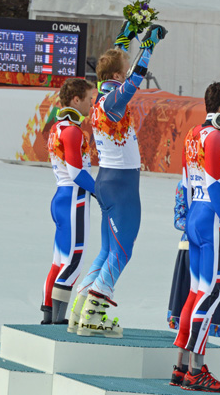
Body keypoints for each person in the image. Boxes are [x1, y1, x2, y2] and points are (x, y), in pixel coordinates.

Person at [68, 22, 167, 338]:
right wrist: (148, 48)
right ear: (117, 76)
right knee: (122, 252)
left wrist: (127, 37)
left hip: (109, 181)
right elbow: (135, 80)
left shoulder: (103, 95)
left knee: (108, 251)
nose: (128, 72)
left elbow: (115, 65)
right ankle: (93, 316)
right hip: (122, 186)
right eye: (124, 70)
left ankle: (79, 310)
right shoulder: (112, 102)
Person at [170, 80, 220, 393]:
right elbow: (215, 185)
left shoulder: (193, 134)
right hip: (213, 220)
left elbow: (187, 182)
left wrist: (193, 219)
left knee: (196, 292)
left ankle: (180, 366)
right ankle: (196, 370)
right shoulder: (217, 137)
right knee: (212, 293)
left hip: (196, 218)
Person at [41, 78, 96, 325]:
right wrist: (101, 192)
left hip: (61, 198)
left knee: (59, 261)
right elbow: (77, 173)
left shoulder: (57, 127)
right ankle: (57, 319)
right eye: (89, 99)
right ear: (76, 100)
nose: (92, 104)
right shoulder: (72, 130)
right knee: (74, 260)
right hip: (74, 198)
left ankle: (48, 315)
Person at [167, 180, 220, 337]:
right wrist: (206, 225)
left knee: (210, 305)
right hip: (192, 250)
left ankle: (197, 354)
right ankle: (186, 356)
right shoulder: (186, 184)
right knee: (195, 300)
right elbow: (179, 219)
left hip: (217, 249)